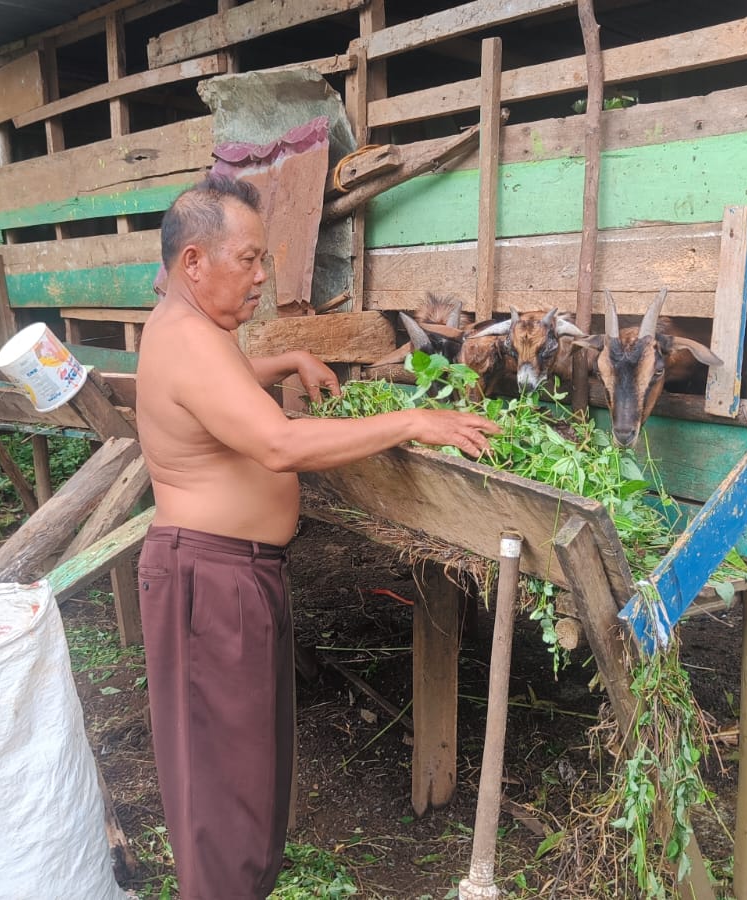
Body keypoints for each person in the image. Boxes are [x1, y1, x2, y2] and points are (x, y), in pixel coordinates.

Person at [134, 175, 499, 899]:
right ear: (194, 263)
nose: (263, 276)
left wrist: (289, 360)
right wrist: (411, 422)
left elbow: (226, 384)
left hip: (228, 576)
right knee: (222, 791)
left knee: (247, 770)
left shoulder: (192, 329)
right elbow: (276, 444)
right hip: (209, 584)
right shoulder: (188, 340)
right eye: (249, 259)